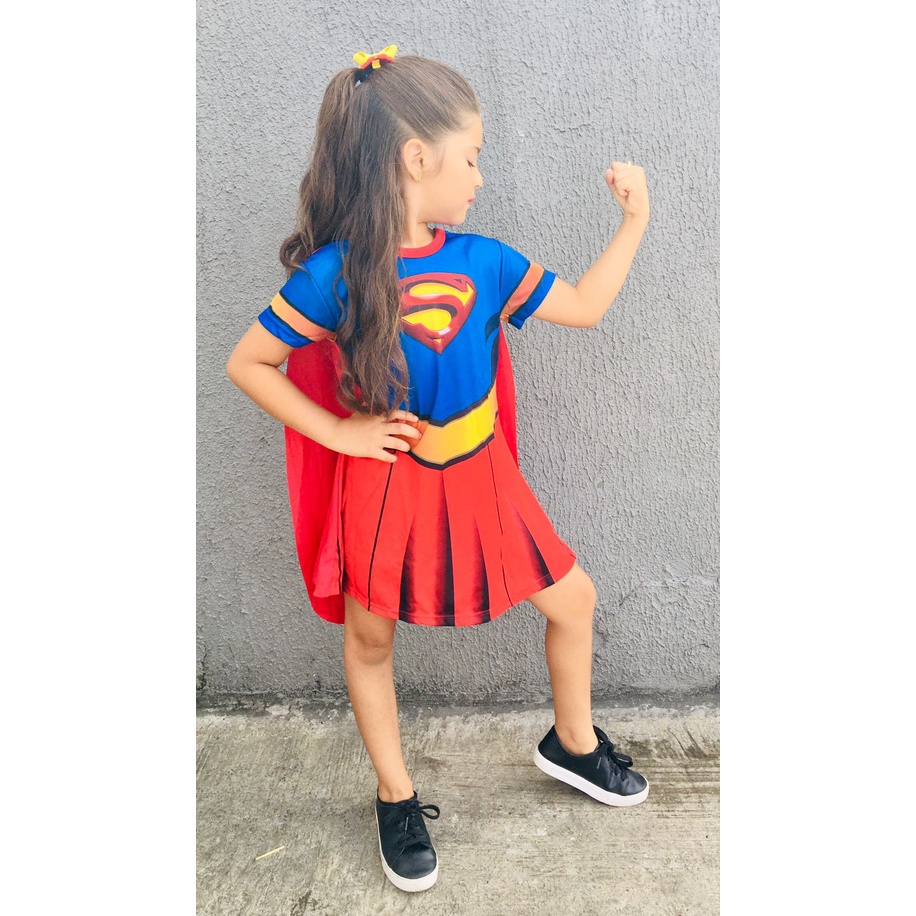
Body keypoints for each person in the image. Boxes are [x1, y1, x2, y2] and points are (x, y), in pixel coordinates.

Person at [226, 45, 651, 894]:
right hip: (386, 486)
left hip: (483, 474)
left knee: (573, 599)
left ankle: (572, 742)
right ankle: (395, 794)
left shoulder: (487, 260)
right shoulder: (336, 274)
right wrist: (338, 433)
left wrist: (634, 221)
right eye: (473, 157)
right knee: (370, 638)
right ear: (417, 159)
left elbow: (583, 307)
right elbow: (250, 363)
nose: (481, 179)